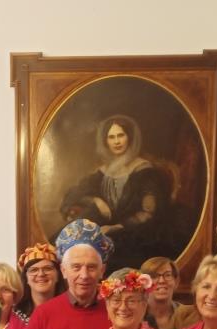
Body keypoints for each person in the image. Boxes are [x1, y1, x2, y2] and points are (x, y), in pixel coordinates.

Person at [60, 115, 176, 270]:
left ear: (129, 138)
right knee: (65, 243)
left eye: (121, 135)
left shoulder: (144, 171)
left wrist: (117, 227)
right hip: (104, 229)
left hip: (136, 232)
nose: (116, 141)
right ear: (105, 141)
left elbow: (149, 213)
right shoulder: (103, 171)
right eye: (111, 137)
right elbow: (74, 194)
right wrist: (96, 201)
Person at [15, 241, 66, 321]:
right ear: (26, 278)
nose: (41, 274)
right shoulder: (14, 316)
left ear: (58, 275)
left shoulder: (70, 312)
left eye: (47, 268)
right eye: (34, 270)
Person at [139, 256, 180, 329]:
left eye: (167, 275)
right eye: (154, 276)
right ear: (144, 283)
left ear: (176, 281)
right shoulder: (135, 315)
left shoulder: (188, 315)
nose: (161, 281)